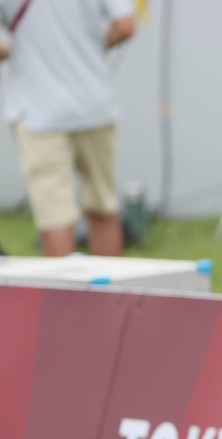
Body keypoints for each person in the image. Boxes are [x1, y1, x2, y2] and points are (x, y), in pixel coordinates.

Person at [0, 0, 135, 257]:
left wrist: (16, 50)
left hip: (38, 111)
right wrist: (90, 48)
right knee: (103, 206)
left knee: (55, 216)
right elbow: (126, 26)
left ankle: (61, 297)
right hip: (95, 106)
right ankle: (110, 296)